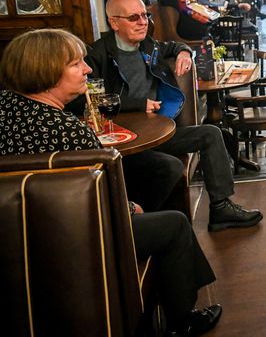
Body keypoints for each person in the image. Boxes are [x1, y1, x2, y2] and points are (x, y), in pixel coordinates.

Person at [0, 28, 222, 336]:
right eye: (76, 64)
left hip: (15, 237)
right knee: (174, 225)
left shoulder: (5, 109)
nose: (88, 69)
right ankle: (182, 320)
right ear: (46, 70)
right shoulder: (69, 130)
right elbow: (96, 199)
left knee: (161, 168)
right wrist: (130, 209)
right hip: (72, 238)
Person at [86, 0, 263, 232]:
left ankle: (220, 207)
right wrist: (137, 104)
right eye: (133, 17)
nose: (143, 22)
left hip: (161, 131)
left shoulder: (149, 45)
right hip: (125, 140)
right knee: (169, 166)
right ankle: (141, 225)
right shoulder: (97, 55)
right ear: (114, 22)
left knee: (211, 133)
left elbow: (175, 45)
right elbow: (88, 101)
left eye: (144, 15)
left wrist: (183, 53)